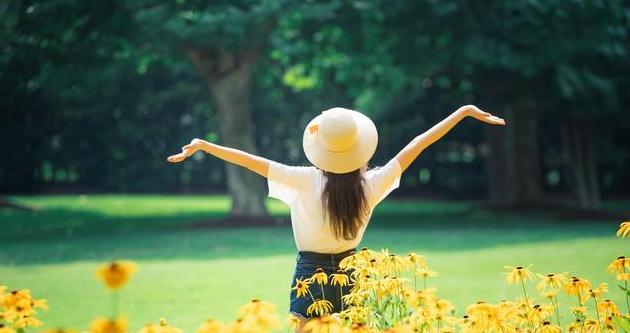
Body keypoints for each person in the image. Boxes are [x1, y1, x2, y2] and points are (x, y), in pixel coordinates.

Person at [166, 105, 505, 325]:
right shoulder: (372, 183)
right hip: (353, 270)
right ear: (360, 147)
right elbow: (417, 145)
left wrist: (205, 146)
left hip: (309, 269)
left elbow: (249, 161)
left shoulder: (302, 178)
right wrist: (462, 112)